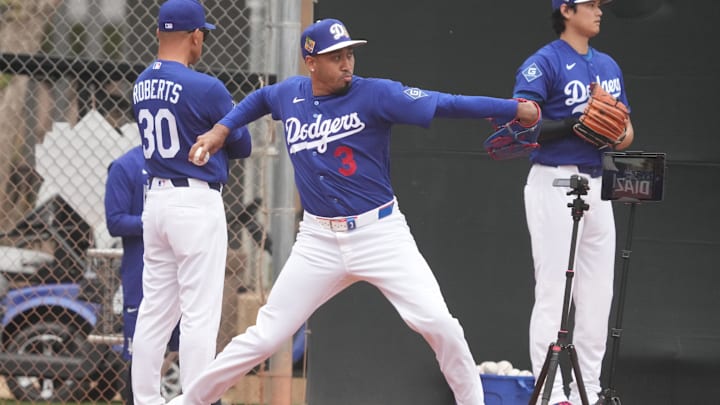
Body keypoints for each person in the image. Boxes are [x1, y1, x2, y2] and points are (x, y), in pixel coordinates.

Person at [171, 18, 540, 405]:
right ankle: (189, 402)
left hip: (379, 233)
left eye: (349, 53)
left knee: (439, 325)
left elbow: (446, 102)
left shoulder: (377, 94)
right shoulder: (290, 94)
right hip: (318, 240)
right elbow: (260, 100)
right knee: (265, 335)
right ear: (311, 62)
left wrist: (512, 109)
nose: (347, 62)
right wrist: (222, 129)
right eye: (335, 56)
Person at [510, 1, 634, 404]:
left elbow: (626, 133)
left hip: (599, 184)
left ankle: (588, 393)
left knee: (599, 295)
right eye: (591, 4)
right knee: (553, 292)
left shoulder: (609, 66)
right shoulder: (543, 62)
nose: (599, 10)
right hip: (555, 179)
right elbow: (522, 126)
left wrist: (615, 131)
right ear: (566, 9)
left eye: (601, 5)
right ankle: (552, 394)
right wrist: (573, 123)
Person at [129, 0, 252, 404]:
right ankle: (198, 400)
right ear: (195, 36)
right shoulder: (207, 86)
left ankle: (146, 400)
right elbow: (243, 145)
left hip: (156, 201)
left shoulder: (141, 82)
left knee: (155, 312)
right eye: (203, 35)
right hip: (195, 202)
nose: (203, 42)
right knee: (199, 314)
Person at [104, 145, 182, 404]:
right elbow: (115, 221)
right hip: (142, 277)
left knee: (195, 351)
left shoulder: (187, 163)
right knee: (142, 356)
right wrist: (159, 222)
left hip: (186, 272)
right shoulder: (125, 166)